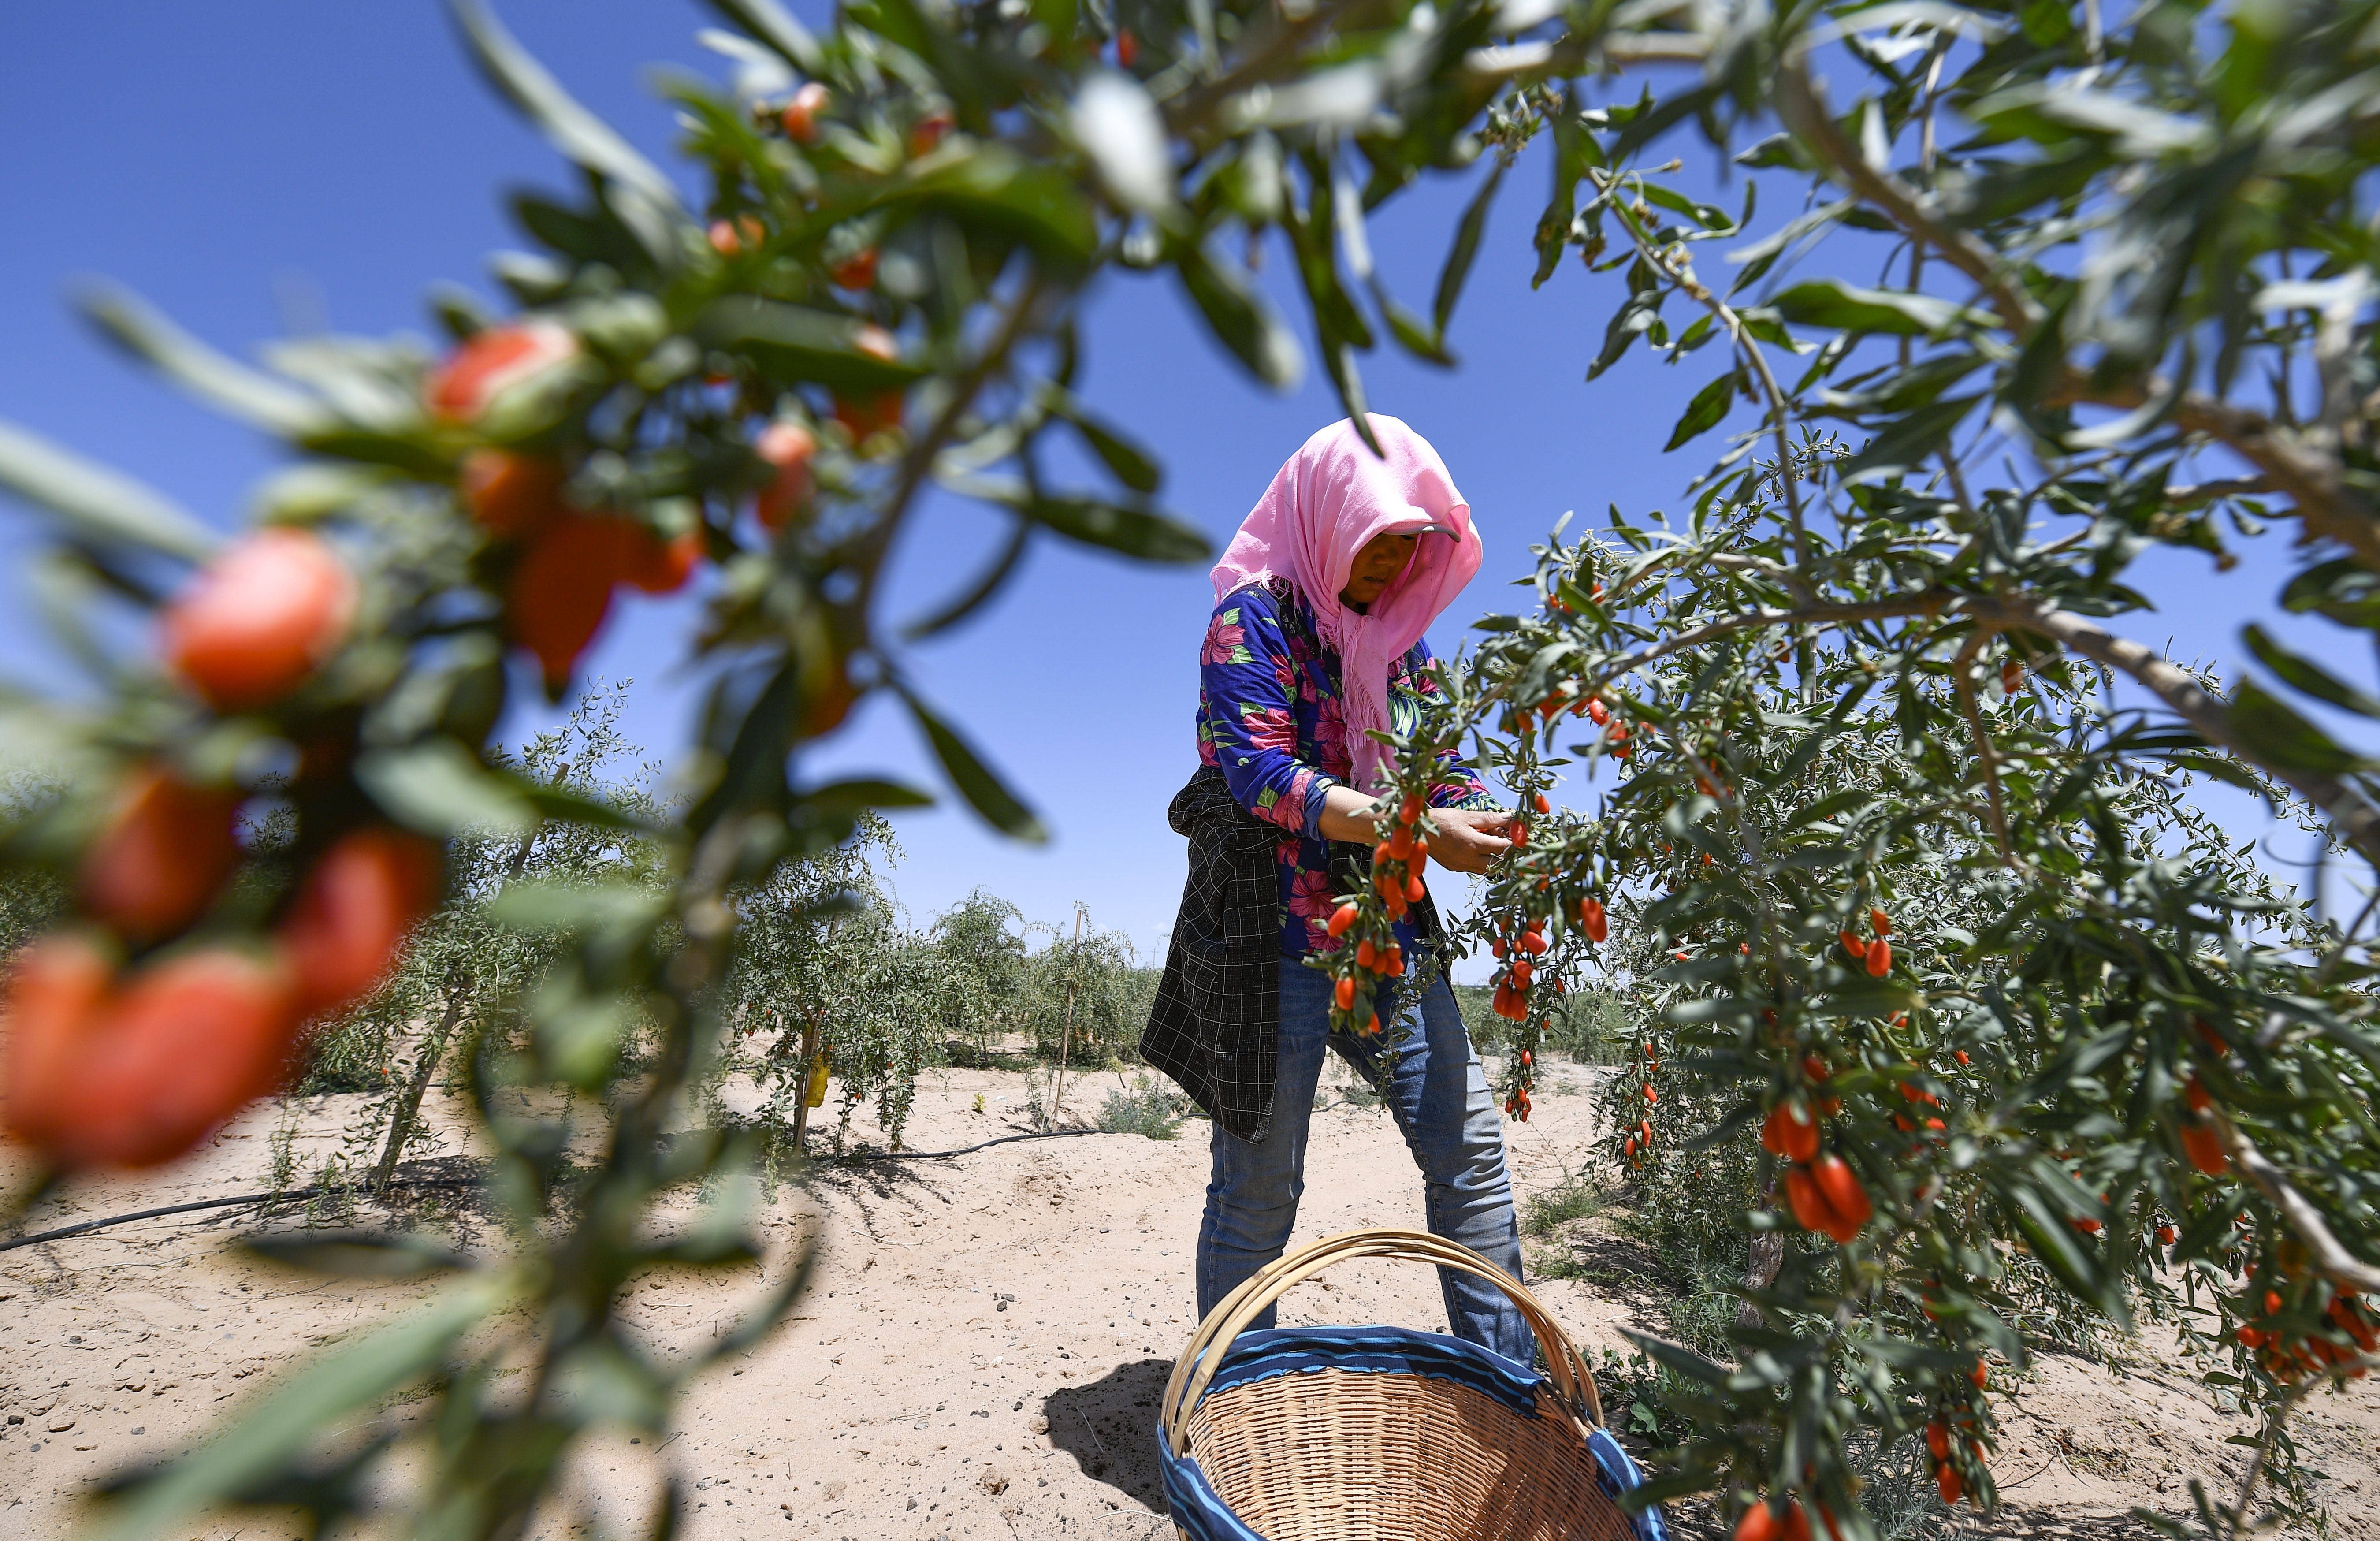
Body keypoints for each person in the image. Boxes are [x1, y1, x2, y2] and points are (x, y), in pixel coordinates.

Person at [1141, 415, 1530, 1363]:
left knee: (1470, 1154)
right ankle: (1229, 1407)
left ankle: (1512, 1387)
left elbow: (1443, 769)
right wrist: (1412, 825)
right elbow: (1261, 775)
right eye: (1375, 544)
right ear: (1325, 523)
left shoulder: (1402, 648)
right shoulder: (1253, 622)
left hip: (1383, 929)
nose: (1392, 569)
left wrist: (1486, 817)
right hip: (1270, 933)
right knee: (1260, 1185)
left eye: (1408, 548)